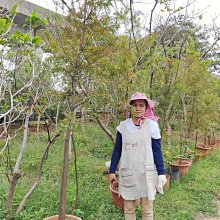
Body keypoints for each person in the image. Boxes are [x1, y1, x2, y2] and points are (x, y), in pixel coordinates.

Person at [109, 92, 167, 220]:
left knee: (147, 209)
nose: (138, 108)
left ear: (146, 107)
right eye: (135, 105)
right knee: (129, 208)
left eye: (141, 105)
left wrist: (161, 172)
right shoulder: (123, 127)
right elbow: (117, 149)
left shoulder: (152, 126)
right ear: (131, 107)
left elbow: (157, 150)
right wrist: (112, 170)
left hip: (146, 173)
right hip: (128, 173)